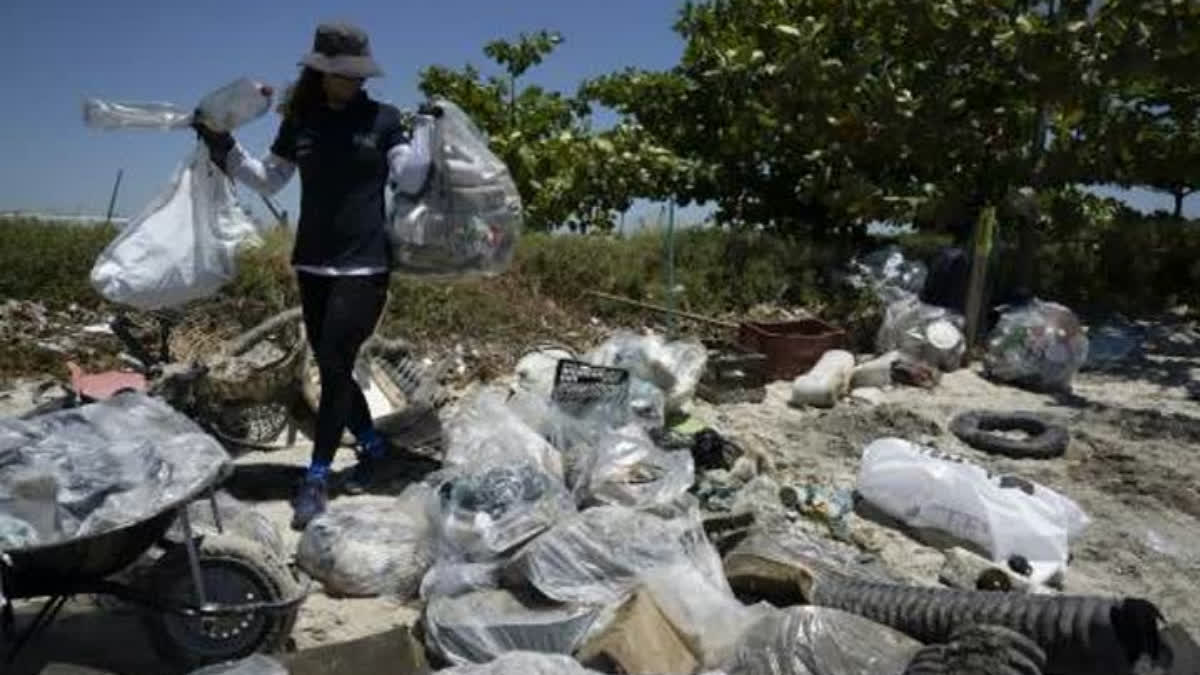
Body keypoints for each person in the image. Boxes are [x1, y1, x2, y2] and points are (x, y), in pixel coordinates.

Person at [192, 21, 435, 530]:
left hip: (366, 262)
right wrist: (224, 146)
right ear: (320, 71)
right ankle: (371, 447)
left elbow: (410, 176)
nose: (351, 83)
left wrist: (428, 128)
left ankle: (318, 475)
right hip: (313, 261)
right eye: (341, 74)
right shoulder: (301, 119)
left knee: (335, 357)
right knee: (333, 366)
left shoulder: (385, 118)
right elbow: (270, 180)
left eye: (356, 74)